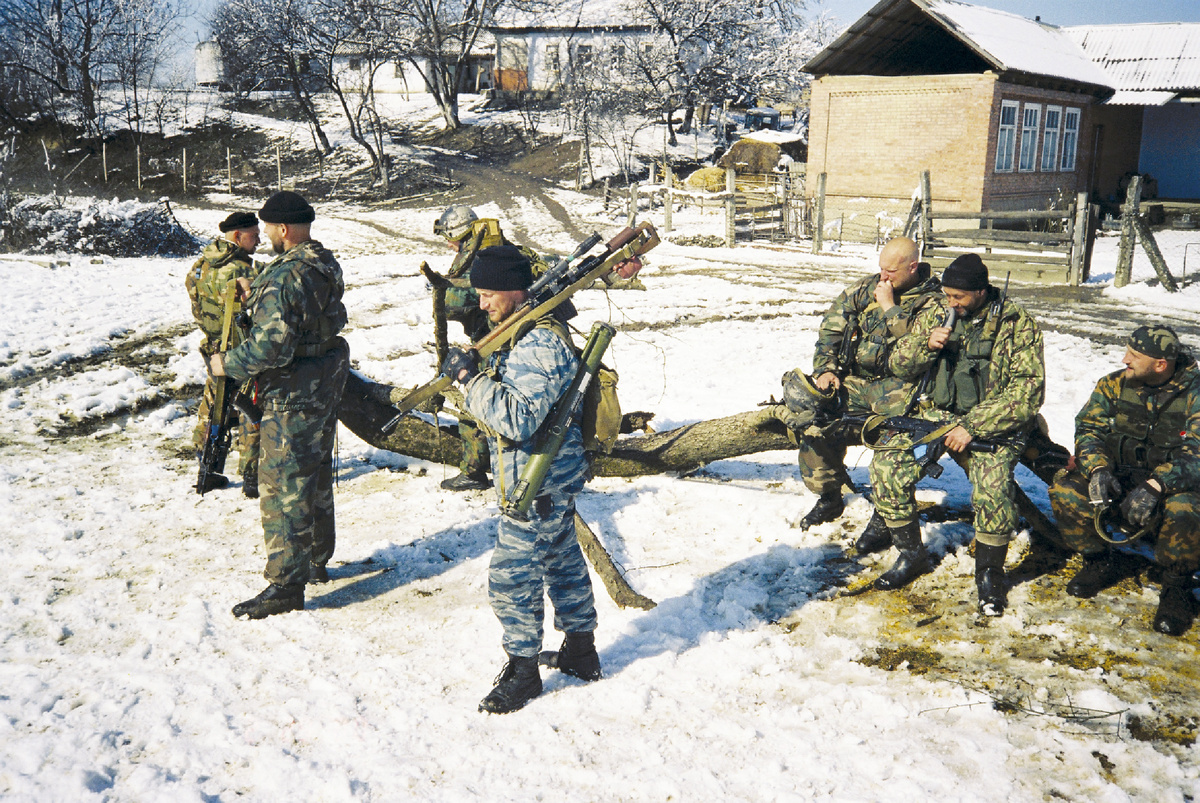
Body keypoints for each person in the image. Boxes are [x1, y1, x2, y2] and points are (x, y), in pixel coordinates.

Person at [442, 244, 600, 714]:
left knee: (512, 577)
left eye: (489, 294)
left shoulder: (538, 343)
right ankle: (581, 652)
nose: (482, 303)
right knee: (561, 558)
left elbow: (517, 418)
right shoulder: (521, 331)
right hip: (547, 475)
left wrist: (471, 380)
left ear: (515, 291)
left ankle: (523, 672)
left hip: (538, 480)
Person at [867, 253, 1045, 616]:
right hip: (936, 414)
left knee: (993, 486)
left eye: (958, 297)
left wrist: (973, 426)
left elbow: (1028, 392)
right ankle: (911, 554)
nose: (951, 303)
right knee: (887, 465)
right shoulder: (940, 312)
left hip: (993, 422)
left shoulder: (1017, 325)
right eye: (947, 295)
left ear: (981, 291)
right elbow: (899, 365)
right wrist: (925, 345)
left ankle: (989, 574)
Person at [209, 191, 350, 620]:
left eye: (269, 228)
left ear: (283, 229)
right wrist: (258, 293)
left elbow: (271, 347)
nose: (266, 234)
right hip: (322, 385)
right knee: (314, 474)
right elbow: (302, 310)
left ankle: (286, 584)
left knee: (284, 484)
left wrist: (225, 364)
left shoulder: (286, 276)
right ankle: (316, 560)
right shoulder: (321, 262)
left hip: (292, 393)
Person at [790, 237, 943, 551]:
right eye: (881, 269)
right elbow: (832, 327)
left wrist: (889, 308)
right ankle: (829, 495)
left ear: (913, 267)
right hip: (856, 381)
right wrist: (827, 369)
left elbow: (916, 350)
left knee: (891, 437)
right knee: (816, 416)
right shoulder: (865, 289)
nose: (883, 277)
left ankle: (885, 515)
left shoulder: (932, 303)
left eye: (891, 272)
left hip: (902, 387)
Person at [1047, 325, 1200, 636]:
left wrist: (1158, 484)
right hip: (1121, 476)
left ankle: (1177, 587)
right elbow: (1089, 428)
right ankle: (1100, 561)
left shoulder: (1195, 395)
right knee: (1066, 490)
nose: (1124, 359)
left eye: (1134, 355)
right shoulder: (1113, 384)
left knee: (1185, 511)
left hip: (1174, 486)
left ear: (1161, 364)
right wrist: (1098, 468)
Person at [185, 211, 263, 496]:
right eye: (254, 236)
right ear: (238, 236)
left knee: (212, 408)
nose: (259, 241)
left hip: (214, 348)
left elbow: (196, 304)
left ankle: (207, 468)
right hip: (241, 351)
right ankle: (252, 476)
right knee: (251, 408)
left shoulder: (200, 266)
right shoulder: (244, 270)